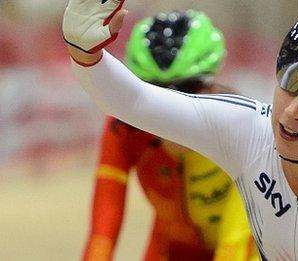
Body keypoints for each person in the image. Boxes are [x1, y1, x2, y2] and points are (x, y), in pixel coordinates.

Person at [64, 1, 298, 260]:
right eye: (291, 81)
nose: (292, 112)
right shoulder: (249, 130)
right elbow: (134, 100)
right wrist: (85, 54)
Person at [81, 11, 258, 261]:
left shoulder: (243, 128)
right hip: (171, 248)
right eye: (155, 93)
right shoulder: (124, 129)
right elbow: (102, 233)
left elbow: (235, 242)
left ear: (212, 84)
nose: (172, 109)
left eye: (188, 90)